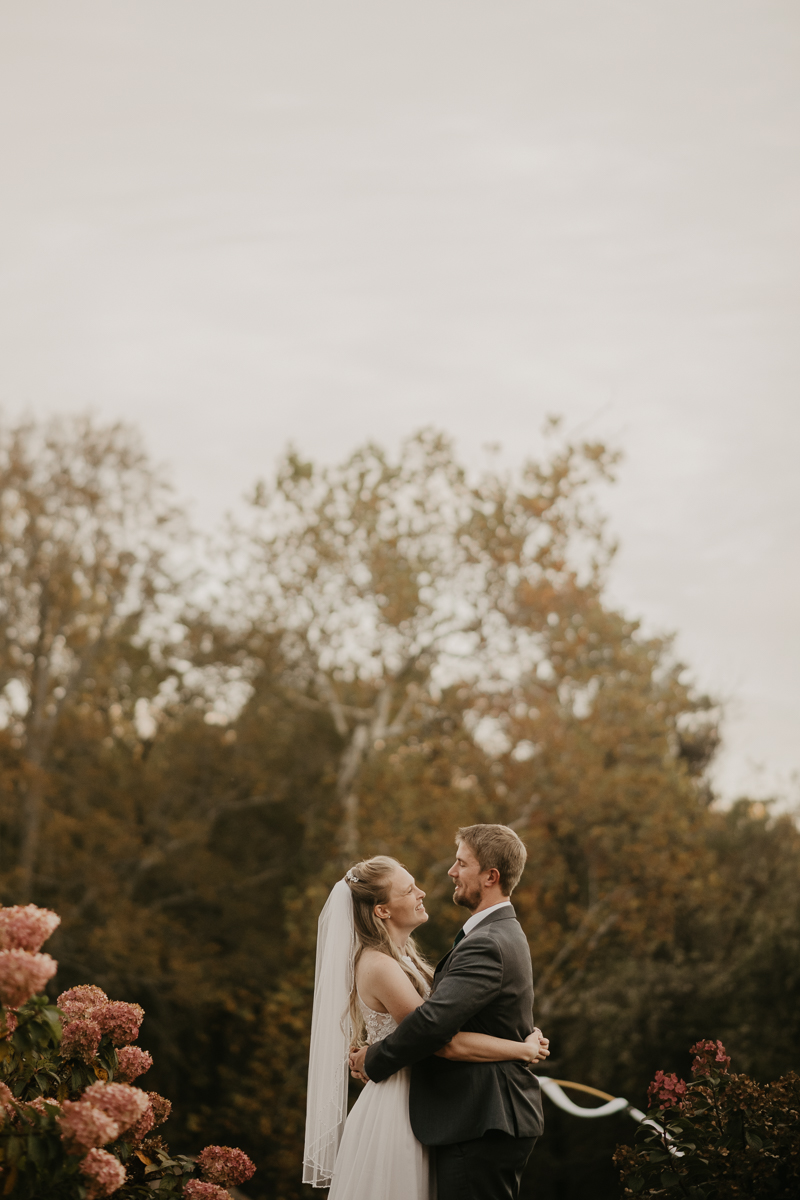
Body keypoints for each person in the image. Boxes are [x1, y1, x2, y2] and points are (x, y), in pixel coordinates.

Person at [302, 852, 549, 1200]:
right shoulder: (381, 966)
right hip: (398, 1106)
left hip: (424, 1100)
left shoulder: (401, 959)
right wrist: (522, 1049)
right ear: (382, 910)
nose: (422, 893)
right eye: (408, 890)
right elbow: (439, 1040)